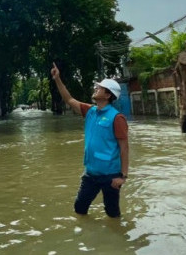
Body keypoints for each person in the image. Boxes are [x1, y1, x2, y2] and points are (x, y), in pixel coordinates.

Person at [50, 62, 129, 218]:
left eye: (99, 88)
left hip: (111, 176)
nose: (95, 89)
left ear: (107, 95)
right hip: (91, 173)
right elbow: (69, 99)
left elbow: (124, 148)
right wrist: (57, 79)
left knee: (112, 212)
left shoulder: (117, 118)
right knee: (80, 207)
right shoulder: (90, 111)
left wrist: (123, 176)